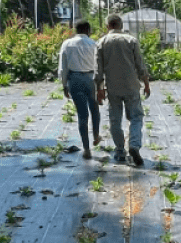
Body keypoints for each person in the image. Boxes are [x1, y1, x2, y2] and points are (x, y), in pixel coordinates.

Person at [95, 14, 151, 165]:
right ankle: (134, 145)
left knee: (115, 120)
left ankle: (120, 151)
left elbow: (98, 71)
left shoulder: (101, 42)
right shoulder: (131, 40)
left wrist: (99, 90)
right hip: (131, 86)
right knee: (136, 117)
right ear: (121, 25)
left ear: (108, 26)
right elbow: (140, 65)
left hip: (113, 87)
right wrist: (146, 83)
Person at [58, 20, 101, 159]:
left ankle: (86, 148)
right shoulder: (94, 44)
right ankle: (96, 135)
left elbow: (63, 67)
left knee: (82, 115)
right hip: (91, 78)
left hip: (74, 79)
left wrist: (64, 85)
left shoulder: (67, 44)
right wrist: (101, 86)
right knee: (94, 109)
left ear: (75, 30)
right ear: (88, 30)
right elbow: (99, 66)